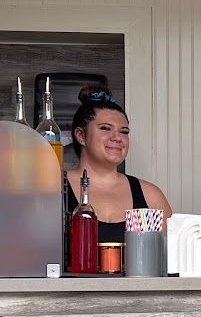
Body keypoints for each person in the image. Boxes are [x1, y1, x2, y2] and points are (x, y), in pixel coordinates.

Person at [62, 86, 171, 245]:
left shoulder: (150, 195)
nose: (117, 137)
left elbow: (171, 255)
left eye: (124, 131)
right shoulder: (54, 190)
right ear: (81, 136)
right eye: (105, 128)